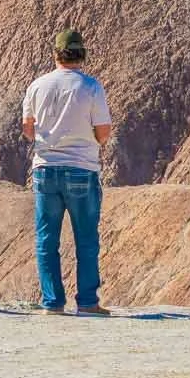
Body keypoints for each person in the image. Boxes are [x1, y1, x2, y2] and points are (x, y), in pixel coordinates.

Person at [22, 29, 113, 315]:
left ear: (56, 54)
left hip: (45, 169)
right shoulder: (91, 87)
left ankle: (52, 303)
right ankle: (87, 302)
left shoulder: (37, 85)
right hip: (81, 169)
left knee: (47, 239)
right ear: (81, 54)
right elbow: (103, 132)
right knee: (86, 239)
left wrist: (47, 139)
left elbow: (27, 129)